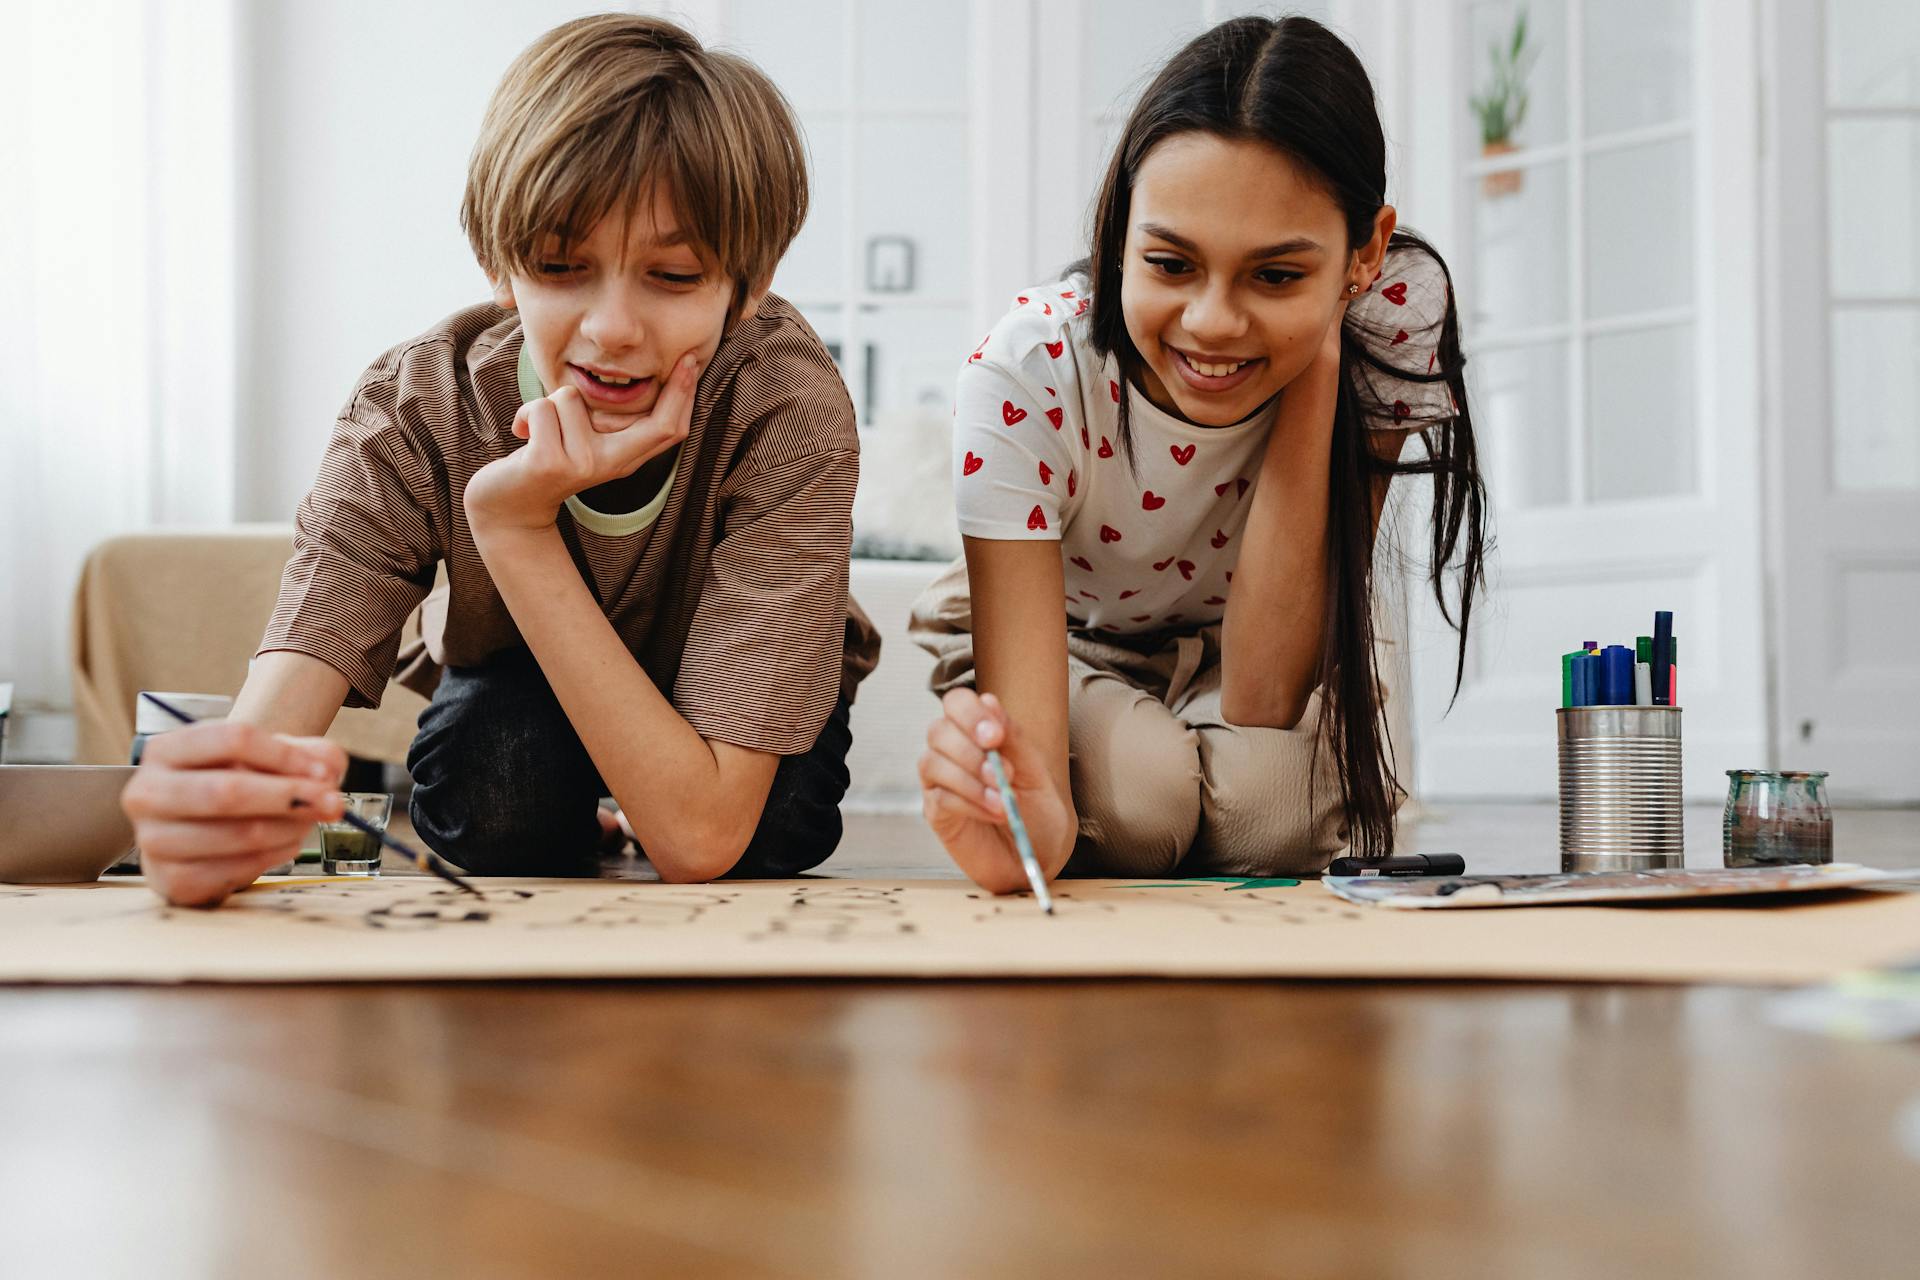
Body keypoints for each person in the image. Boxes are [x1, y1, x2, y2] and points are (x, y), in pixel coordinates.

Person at [123, 14, 876, 906]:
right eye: (561, 267)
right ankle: (599, 800)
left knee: (775, 823)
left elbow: (703, 841)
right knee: (496, 793)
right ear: (499, 263)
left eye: (673, 278)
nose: (613, 330)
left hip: (740, 702)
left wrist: (514, 528)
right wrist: (211, 820)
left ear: (752, 284)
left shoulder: (787, 406)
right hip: (528, 684)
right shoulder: (416, 406)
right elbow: (281, 708)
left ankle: (635, 793)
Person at [913, 15, 1487, 894]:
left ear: (1365, 251)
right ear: (1119, 232)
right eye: (1172, 264)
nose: (1213, 323)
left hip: (1238, 645)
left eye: (1278, 275)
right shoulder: (1028, 369)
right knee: (1144, 807)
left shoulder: (1391, 311)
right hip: (1064, 636)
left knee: (1273, 818)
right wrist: (1027, 822)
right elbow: (1038, 813)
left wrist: (1324, 349)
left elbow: (1260, 695)